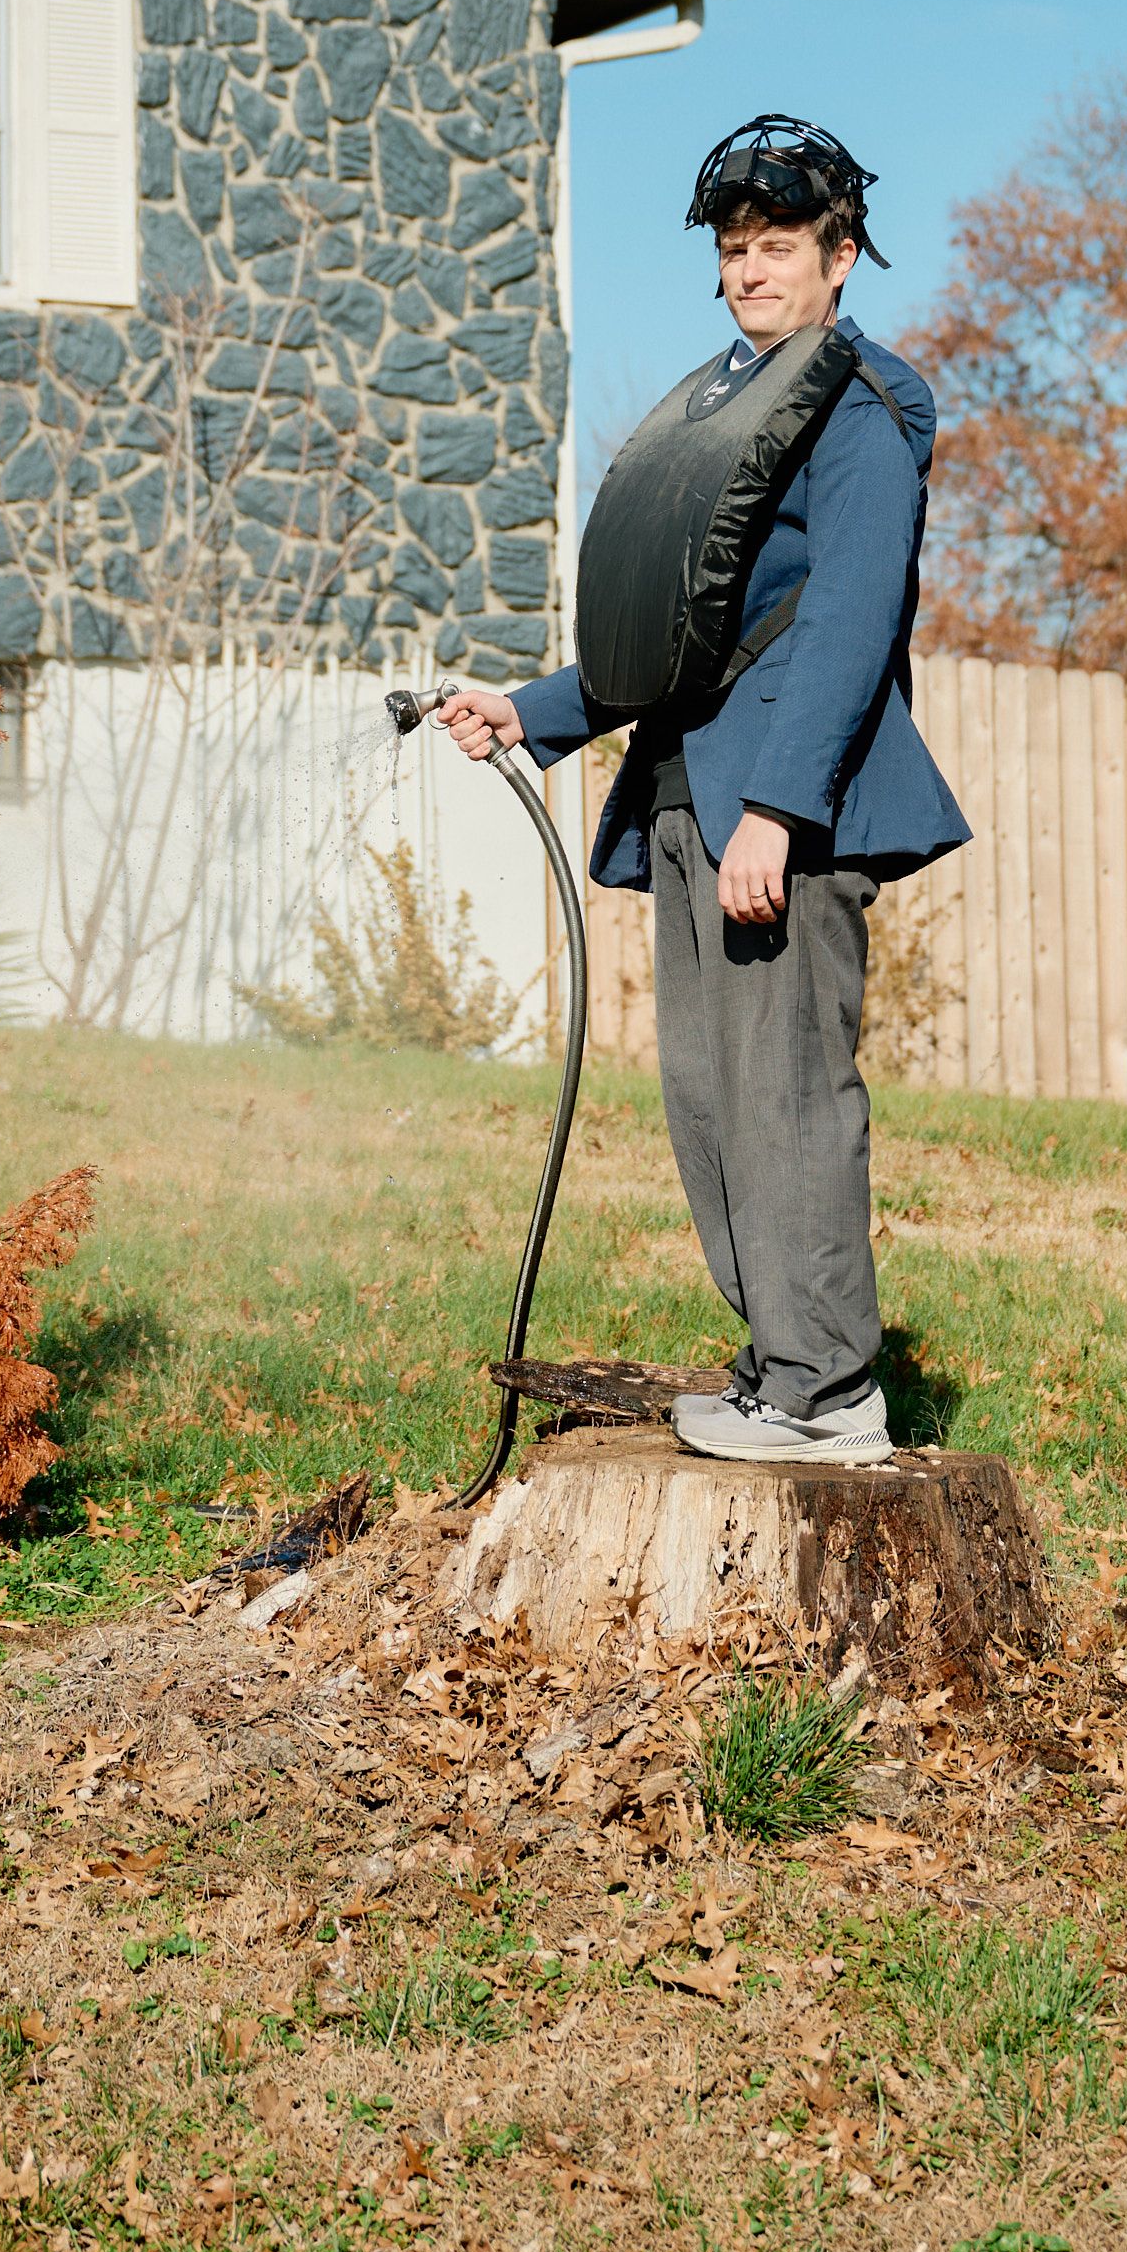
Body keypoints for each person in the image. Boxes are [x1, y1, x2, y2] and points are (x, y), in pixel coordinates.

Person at [434, 118, 968, 1465]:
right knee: (708, 1097)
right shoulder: (724, 401)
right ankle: (777, 1363)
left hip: (776, 806)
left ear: (841, 257)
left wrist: (779, 814)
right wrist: (534, 711)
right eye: (735, 250)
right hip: (683, 789)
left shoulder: (863, 411)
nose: (750, 272)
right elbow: (679, 620)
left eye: (778, 248)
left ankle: (830, 1391)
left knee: (784, 1091)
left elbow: (844, 622)